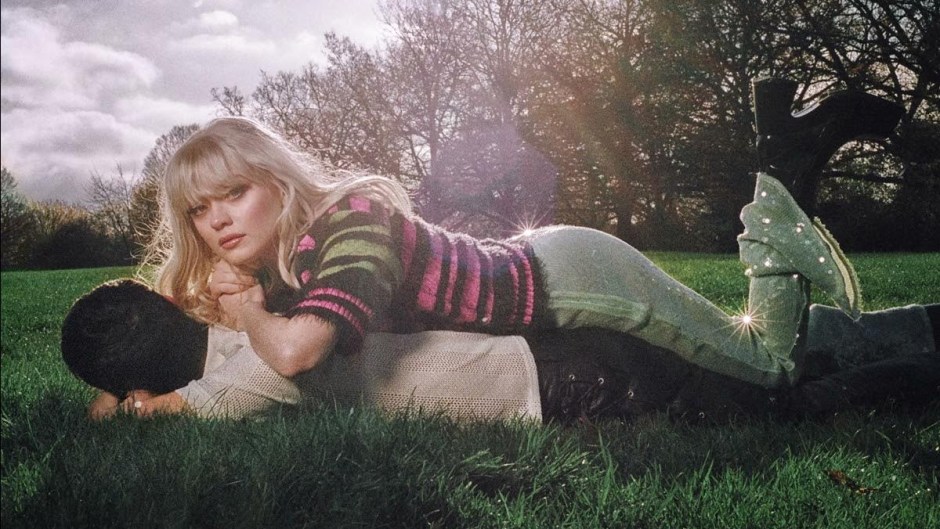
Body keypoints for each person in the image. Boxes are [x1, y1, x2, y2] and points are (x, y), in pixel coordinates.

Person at [143, 111, 937, 397]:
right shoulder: (302, 258)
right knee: (720, 346)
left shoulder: (348, 226)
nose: (217, 220)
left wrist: (247, 304)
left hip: (575, 277)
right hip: (546, 268)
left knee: (765, 365)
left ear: (278, 182)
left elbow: (294, 354)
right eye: (198, 210)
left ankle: (776, 214)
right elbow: (199, 335)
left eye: (233, 193)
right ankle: (905, 327)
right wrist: (137, 387)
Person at [60, 279, 940, 423]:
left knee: (765, 400)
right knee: (725, 352)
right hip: (548, 349)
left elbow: (159, 408)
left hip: (562, 381)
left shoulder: (249, 376)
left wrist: (126, 403)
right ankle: (908, 333)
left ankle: (912, 366)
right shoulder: (262, 311)